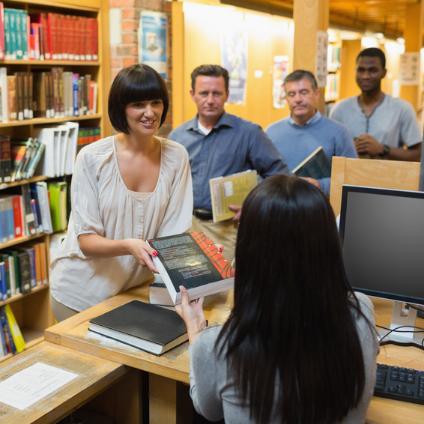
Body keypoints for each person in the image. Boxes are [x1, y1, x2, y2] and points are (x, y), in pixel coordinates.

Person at [176, 174, 378, 424]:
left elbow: (207, 409)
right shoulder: (361, 312)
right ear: (330, 245)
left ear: (248, 251)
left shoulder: (217, 346)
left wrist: (196, 332)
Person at [50, 64, 193, 321]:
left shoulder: (176, 156)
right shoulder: (92, 158)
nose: (150, 112)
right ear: (121, 109)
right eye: (138, 104)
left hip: (133, 292)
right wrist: (129, 246)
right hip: (80, 294)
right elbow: (87, 241)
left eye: (156, 102)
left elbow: (174, 234)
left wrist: (198, 258)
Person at [169, 64, 289, 261]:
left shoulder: (249, 133)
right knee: (187, 289)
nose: (210, 100)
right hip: (185, 226)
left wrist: (254, 205)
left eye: (216, 93)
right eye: (203, 93)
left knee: (220, 291)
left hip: (227, 229)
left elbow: (281, 176)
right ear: (192, 94)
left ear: (227, 95)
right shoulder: (178, 136)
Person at [266, 69, 357, 195]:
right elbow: (263, 175)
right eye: (291, 94)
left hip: (321, 207)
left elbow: (352, 177)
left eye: (304, 92)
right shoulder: (271, 132)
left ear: (316, 94)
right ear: (286, 98)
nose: (298, 99)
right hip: (280, 206)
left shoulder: (339, 132)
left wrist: (321, 185)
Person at [330, 47, 422, 161]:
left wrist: (383, 149)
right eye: (361, 70)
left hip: (387, 177)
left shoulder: (402, 109)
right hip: (348, 178)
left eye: (372, 70)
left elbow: (417, 155)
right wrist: (348, 148)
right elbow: (329, 150)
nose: (365, 76)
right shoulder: (340, 109)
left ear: (384, 73)